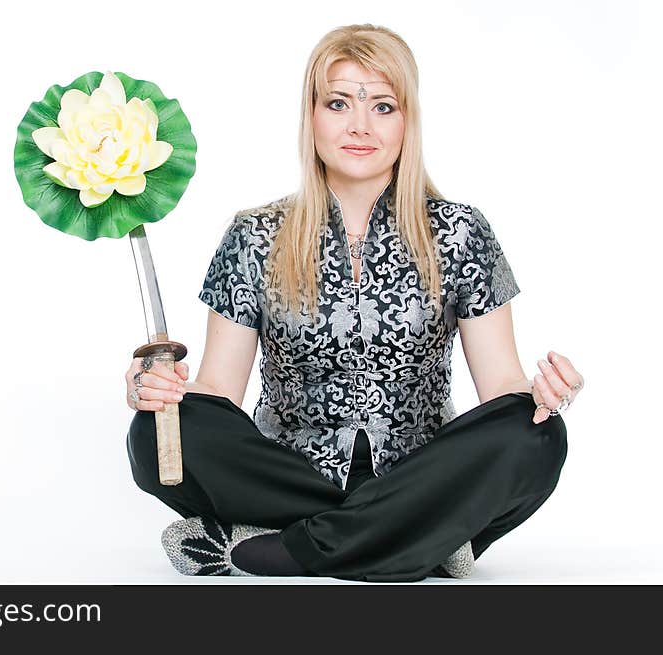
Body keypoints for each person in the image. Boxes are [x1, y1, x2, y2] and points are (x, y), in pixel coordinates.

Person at [124, 23, 584, 582]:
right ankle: (425, 540)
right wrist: (157, 392)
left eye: (383, 106)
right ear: (311, 117)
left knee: (535, 433)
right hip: (290, 473)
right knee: (159, 433)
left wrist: (544, 397)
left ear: (407, 121)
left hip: (420, 471)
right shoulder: (255, 234)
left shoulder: (461, 232)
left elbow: (502, 390)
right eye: (339, 103)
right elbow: (219, 391)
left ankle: (273, 550)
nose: (360, 126)